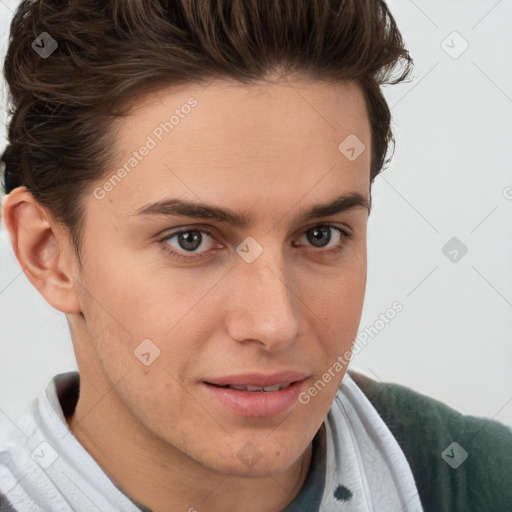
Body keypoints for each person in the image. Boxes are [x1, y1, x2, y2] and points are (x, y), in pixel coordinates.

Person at [0, 0, 510, 511]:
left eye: (320, 235)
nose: (275, 324)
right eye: (191, 240)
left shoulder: (481, 482)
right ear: (47, 253)